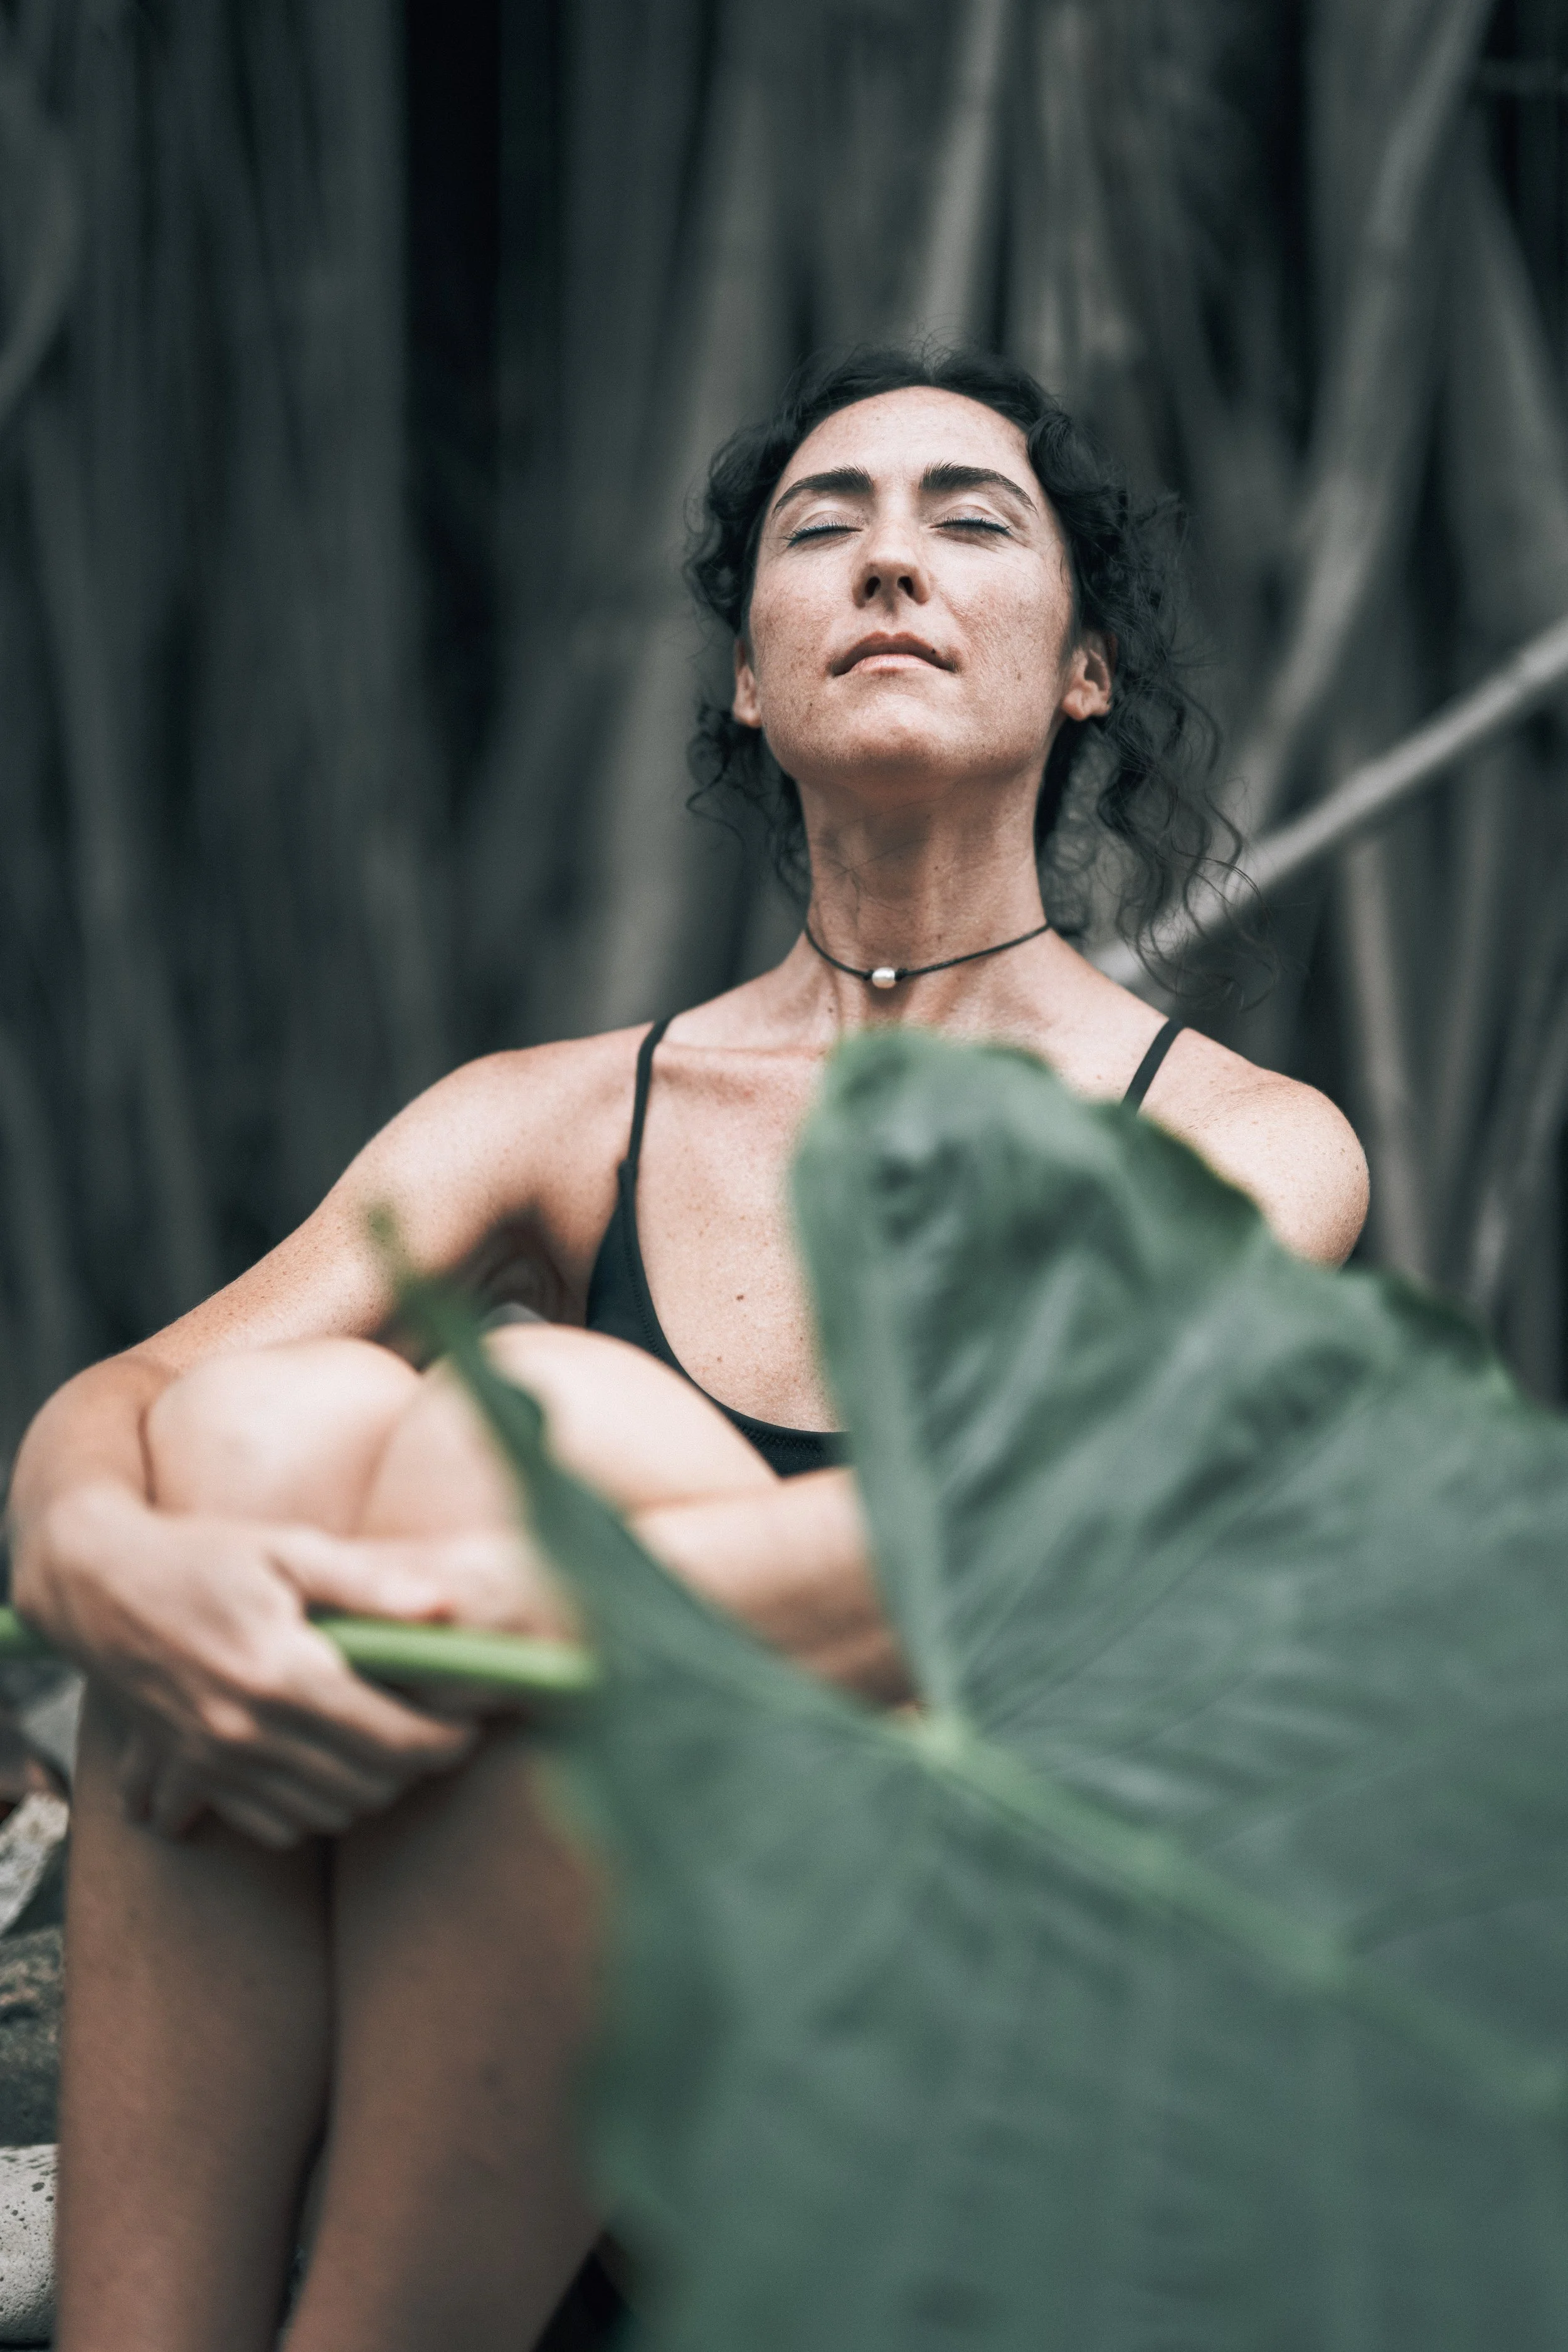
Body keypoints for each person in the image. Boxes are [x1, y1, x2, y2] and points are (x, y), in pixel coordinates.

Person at [4, 346, 1368, 2352]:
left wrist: (512, 1596)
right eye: (824, 527)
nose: (889, 561)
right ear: (745, 675)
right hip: (574, 2054)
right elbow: (126, 1405)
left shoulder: (1233, 1142)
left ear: (1083, 668)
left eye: (969, 521)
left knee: (534, 1420)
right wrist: (110, 1566)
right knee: (262, 1430)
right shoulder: (551, 1114)